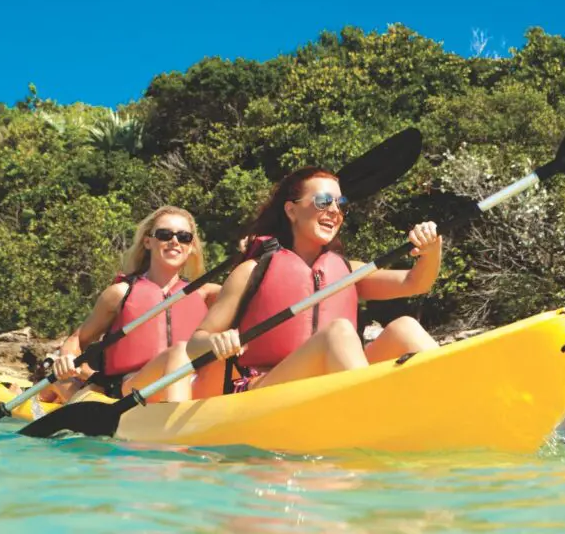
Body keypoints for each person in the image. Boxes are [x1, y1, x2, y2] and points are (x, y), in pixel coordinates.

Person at [166, 166, 441, 400]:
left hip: (336, 383)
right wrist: (217, 342)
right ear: (291, 210)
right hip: (265, 390)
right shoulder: (252, 271)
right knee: (339, 333)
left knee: (405, 328)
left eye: (340, 204)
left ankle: (454, 402)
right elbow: (195, 344)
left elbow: (415, 282)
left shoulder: (347, 270)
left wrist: (431, 249)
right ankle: (370, 418)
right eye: (323, 201)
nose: (334, 211)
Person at [46, 205, 223, 403]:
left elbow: (249, 288)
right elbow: (78, 339)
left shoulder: (205, 293)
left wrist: (251, 250)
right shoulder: (121, 293)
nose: (174, 241)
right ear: (148, 241)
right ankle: (62, 387)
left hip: (188, 385)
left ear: (191, 247)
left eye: (184, 237)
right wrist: (67, 358)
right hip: (129, 387)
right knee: (179, 352)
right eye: (165, 234)